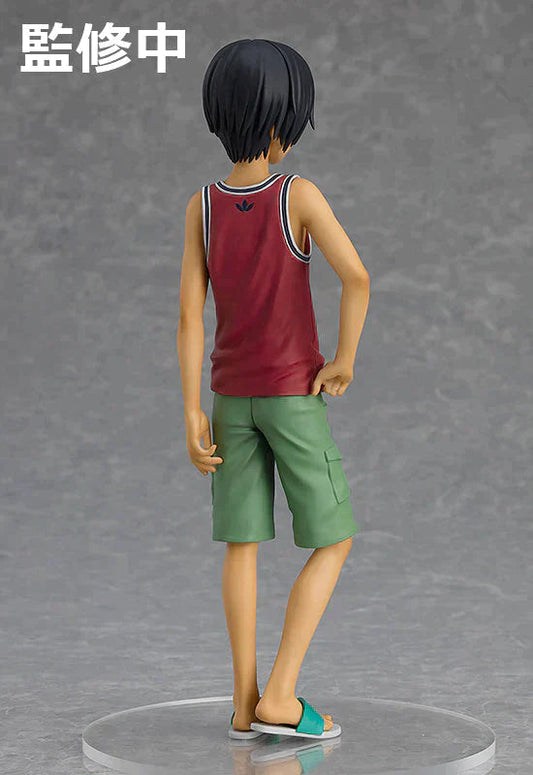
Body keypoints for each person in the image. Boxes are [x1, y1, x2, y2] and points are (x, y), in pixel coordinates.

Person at [177, 38, 370, 740]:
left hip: (229, 399)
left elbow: (190, 318)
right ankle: (281, 695)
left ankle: (243, 701)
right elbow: (357, 277)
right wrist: (343, 358)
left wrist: (192, 410)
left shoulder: (202, 206)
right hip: (291, 395)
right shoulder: (297, 194)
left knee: (241, 545)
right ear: (279, 122)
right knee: (333, 538)